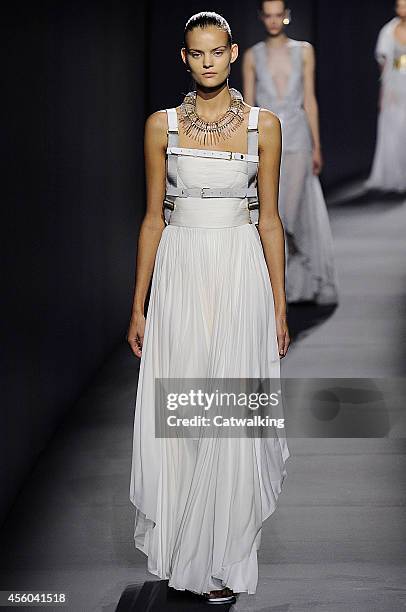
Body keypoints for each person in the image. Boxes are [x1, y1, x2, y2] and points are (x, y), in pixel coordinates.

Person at [127, 11, 290, 605]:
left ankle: (222, 561)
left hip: (241, 272)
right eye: (197, 54)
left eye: (217, 52)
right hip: (180, 275)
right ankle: (182, 552)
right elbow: (152, 218)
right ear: (185, 58)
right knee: (185, 407)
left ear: (231, 51)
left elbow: (269, 220)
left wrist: (279, 305)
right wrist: (139, 306)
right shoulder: (160, 127)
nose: (208, 62)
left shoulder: (264, 127)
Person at [243, 0, 339, 305]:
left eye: (278, 15)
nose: (273, 21)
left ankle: (309, 276)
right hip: (266, 141)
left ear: (286, 16)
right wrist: (247, 149)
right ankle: (279, 289)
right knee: (274, 212)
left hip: (297, 137)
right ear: (262, 17)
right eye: (267, 15)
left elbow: (309, 99)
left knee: (291, 213)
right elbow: (247, 107)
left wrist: (318, 145)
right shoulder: (252, 56)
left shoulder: (304, 51)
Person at [365, 0, 406, 193]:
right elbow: (384, 62)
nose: (402, 10)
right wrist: (384, 90)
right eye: (400, 6)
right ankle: (395, 176)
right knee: (394, 128)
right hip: (395, 85)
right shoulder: (388, 31)